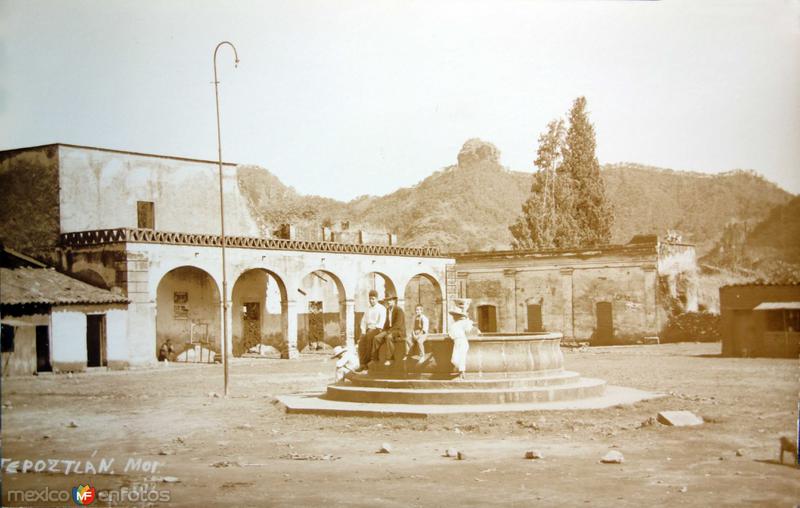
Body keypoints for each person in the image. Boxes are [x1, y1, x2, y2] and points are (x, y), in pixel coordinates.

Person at [355, 289, 386, 372]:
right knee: (361, 341)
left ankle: (368, 363)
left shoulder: (381, 308)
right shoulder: (368, 309)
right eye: (370, 299)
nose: (371, 301)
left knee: (369, 338)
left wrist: (374, 328)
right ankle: (362, 364)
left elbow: (381, 322)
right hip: (368, 329)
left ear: (376, 299)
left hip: (377, 329)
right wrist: (363, 331)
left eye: (373, 299)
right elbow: (363, 321)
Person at [372, 295, 406, 366]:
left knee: (389, 337)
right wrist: (383, 331)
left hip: (398, 331)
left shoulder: (398, 310)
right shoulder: (388, 310)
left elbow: (398, 324)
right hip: (389, 330)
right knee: (376, 338)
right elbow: (386, 323)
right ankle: (375, 359)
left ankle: (390, 359)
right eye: (387, 301)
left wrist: (388, 332)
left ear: (394, 301)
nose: (388, 302)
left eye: (390, 300)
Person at [448, 299, 474, 379]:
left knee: (461, 356)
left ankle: (462, 373)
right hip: (457, 341)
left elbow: (468, 329)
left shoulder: (462, 323)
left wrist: (468, 322)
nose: (454, 317)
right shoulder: (454, 325)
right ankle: (461, 372)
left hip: (462, 341)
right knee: (455, 358)